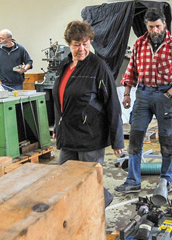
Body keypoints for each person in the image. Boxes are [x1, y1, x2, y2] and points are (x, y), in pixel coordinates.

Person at [116, 8, 172, 193]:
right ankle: (133, 180)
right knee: (135, 138)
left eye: (158, 26)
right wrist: (126, 94)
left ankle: (166, 179)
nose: (155, 30)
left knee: (166, 139)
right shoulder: (139, 44)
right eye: (151, 27)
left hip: (164, 95)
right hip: (142, 95)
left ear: (164, 24)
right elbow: (131, 71)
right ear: (146, 26)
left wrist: (169, 94)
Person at [53, 21, 124, 208]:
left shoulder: (99, 67)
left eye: (86, 43)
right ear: (69, 43)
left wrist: (117, 139)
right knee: (64, 177)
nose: (81, 49)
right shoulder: (65, 65)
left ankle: (99, 207)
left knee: (89, 180)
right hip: (68, 133)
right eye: (77, 44)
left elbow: (113, 105)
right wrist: (57, 126)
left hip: (90, 135)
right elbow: (59, 99)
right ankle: (78, 212)